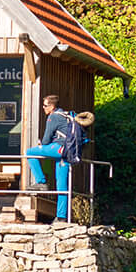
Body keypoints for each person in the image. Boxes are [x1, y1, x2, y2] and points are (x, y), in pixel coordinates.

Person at [25, 94, 90, 222]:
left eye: (45, 105)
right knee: (62, 186)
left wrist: (41, 145)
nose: (43, 108)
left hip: (59, 148)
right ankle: (61, 217)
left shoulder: (53, 117)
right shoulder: (66, 115)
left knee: (30, 152)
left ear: (52, 106)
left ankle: (41, 182)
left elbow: (45, 140)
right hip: (68, 152)